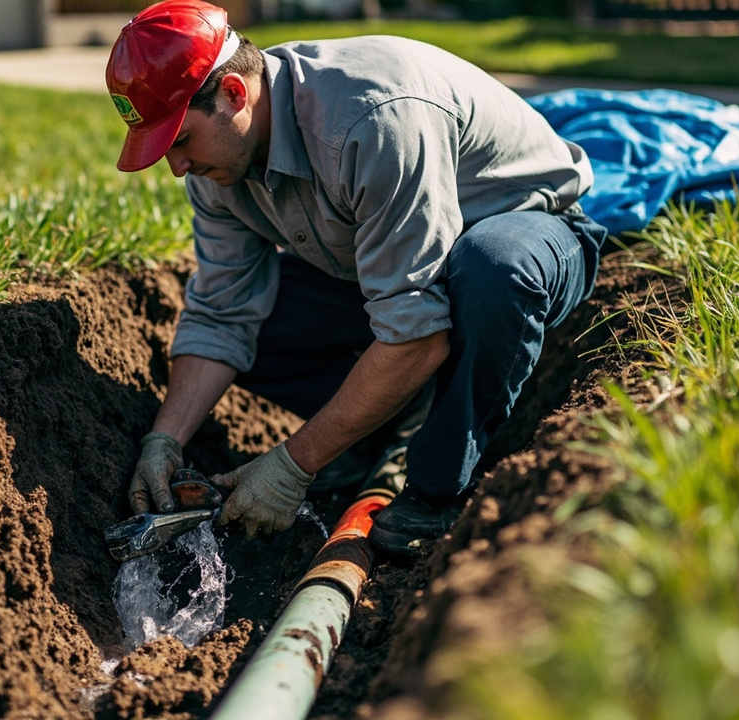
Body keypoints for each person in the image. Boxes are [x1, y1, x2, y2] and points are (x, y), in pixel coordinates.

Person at [108, 0, 608, 556]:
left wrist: (292, 465)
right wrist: (165, 439)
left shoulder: (369, 120)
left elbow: (417, 337)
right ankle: (377, 426)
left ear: (233, 94)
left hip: (526, 232)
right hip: (400, 266)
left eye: (180, 141)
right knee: (265, 319)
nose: (177, 167)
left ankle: (438, 484)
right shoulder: (218, 167)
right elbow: (224, 311)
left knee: (493, 273)